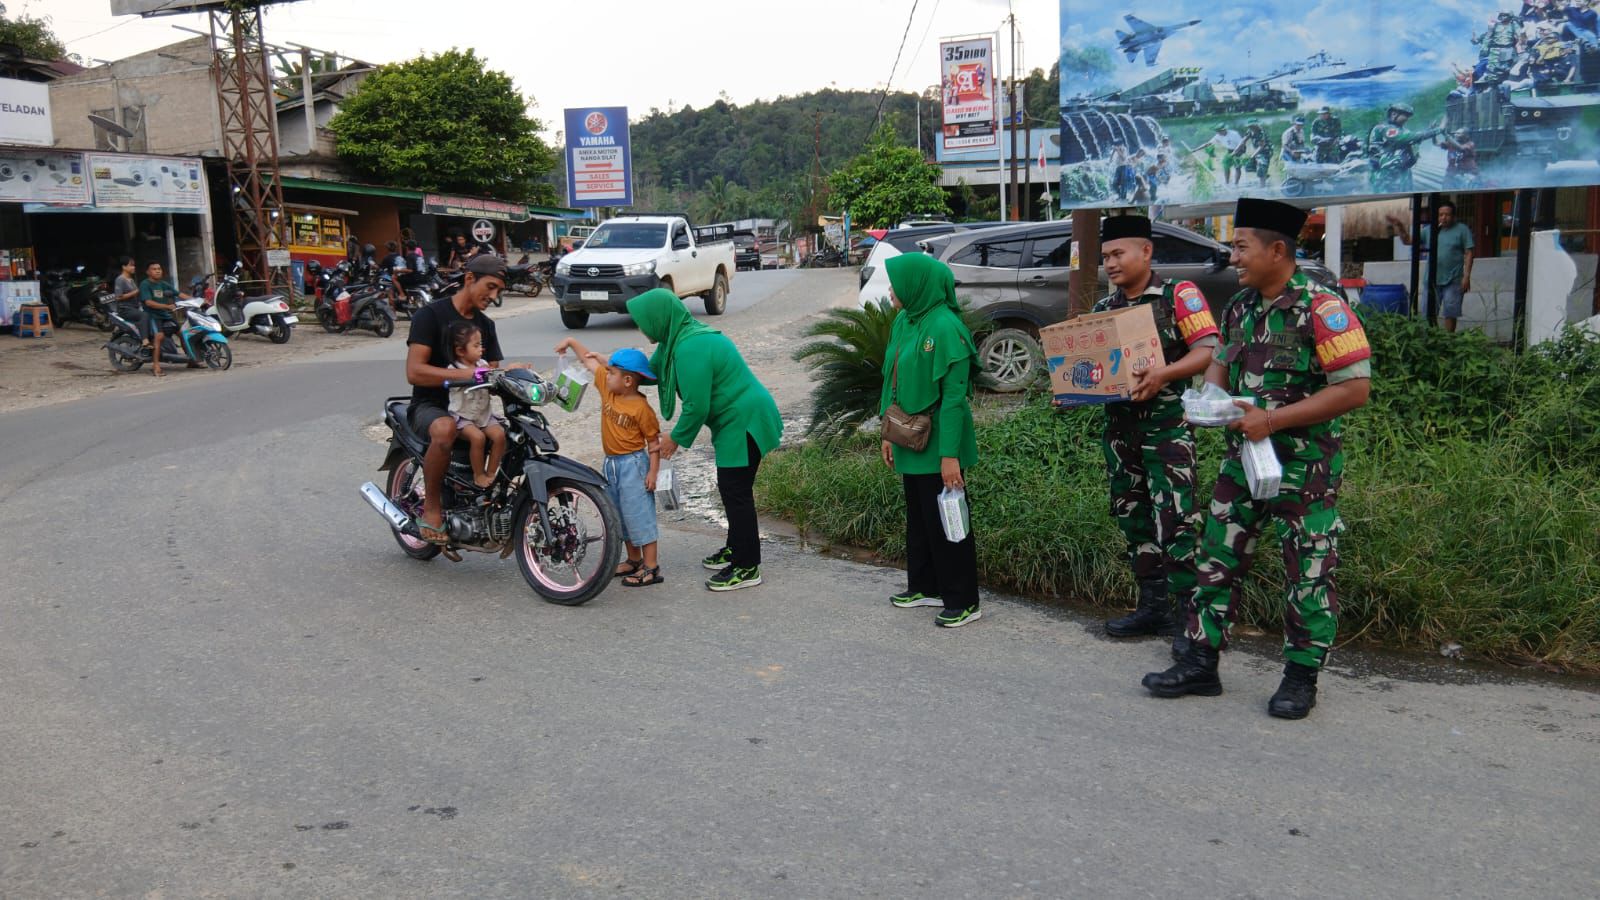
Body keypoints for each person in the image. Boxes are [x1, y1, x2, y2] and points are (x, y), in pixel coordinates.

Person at [1142, 198, 1372, 720]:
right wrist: (1208, 404)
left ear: (1277, 250)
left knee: (1308, 569)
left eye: (1241, 247)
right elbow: (1218, 370)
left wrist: (1271, 419)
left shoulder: (1323, 307)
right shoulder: (1241, 307)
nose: (1233, 256)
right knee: (1216, 554)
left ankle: (1300, 677)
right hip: (1242, 460)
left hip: (1304, 467)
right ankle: (1200, 660)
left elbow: (1355, 388)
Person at [1070, 215, 1220, 654]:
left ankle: (1188, 619)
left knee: (1176, 520)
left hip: (1167, 429)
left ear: (1146, 252)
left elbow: (1208, 350)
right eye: (1105, 257)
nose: (1110, 264)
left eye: (1118, 254)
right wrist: (1074, 392)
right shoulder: (1106, 309)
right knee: (1133, 517)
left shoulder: (1178, 295)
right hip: (1121, 432)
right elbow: (1093, 371)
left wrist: (1163, 375)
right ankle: (1153, 605)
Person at [625, 288, 782, 592]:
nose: (641, 328)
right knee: (732, 487)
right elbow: (650, 372)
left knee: (736, 491)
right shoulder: (674, 339)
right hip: (733, 421)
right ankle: (736, 547)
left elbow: (698, 405)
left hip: (744, 419)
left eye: (643, 321)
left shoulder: (690, 346)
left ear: (659, 318)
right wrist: (612, 367)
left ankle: (747, 566)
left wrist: (676, 439)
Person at [877, 253, 982, 628]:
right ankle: (924, 585)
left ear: (918, 285)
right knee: (919, 518)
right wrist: (888, 432)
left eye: (897, 283)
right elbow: (891, 377)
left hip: (939, 438)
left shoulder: (946, 327)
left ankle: (964, 599)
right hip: (908, 434)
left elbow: (954, 400)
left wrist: (949, 456)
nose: (891, 290)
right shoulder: (905, 320)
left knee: (948, 521)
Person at [403, 254, 518, 544]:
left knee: (514, 432)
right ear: (469, 279)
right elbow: (414, 372)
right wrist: (466, 376)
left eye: (499, 291)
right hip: (432, 405)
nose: (493, 296)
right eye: (490, 287)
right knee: (444, 429)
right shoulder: (429, 316)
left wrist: (513, 374)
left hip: (474, 408)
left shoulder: (486, 326)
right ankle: (431, 508)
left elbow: (491, 372)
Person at [553, 337, 665, 587]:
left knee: (639, 514)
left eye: (612, 372)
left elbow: (654, 443)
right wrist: (571, 342)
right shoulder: (609, 389)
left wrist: (653, 473)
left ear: (627, 380)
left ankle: (651, 566)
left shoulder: (641, 409)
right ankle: (633, 560)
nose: (606, 375)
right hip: (611, 464)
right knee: (619, 513)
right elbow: (589, 361)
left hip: (634, 465)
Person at [1388, 200, 1475, 332]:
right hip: (1431, 279)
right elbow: (1408, 241)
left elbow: (1469, 252)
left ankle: (1448, 342)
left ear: (1453, 216)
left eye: (1447, 215)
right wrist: (1399, 226)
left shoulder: (1462, 230)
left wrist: (1467, 276)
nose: (1443, 218)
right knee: (1428, 313)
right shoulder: (1430, 230)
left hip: (1454, 279)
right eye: (1440, 215)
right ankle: (1431, 341)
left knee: (1450, 313)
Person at [443, 320, 507, 489]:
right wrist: (484, 374)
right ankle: (478, 474)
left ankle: (491, 473)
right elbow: (473, 376)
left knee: (500, 435)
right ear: (460, 351)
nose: (481, 348)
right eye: (476, 345)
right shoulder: (454, 369)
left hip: (484, 416)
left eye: (481, 344)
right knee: (477, 438)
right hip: (463, 417)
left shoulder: (483, 364)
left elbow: (492, 379)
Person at [1367, 103, 1442, 194]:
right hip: (1385, 175)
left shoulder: (1403, 130)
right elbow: (1407, 137)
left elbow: (1415, 140)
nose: (1407, 119)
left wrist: (1429, 130)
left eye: (1408, 116)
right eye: (1405, 115)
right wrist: (1437, 130)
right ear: (1394, 114)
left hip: (1402, 172)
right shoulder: (1383, 128)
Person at [140, 261, 195, 377]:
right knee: (159, 337)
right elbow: (148, 302)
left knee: (182, 333)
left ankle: (191, 361)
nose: (157, 271)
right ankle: (156, 366)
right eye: (154, 269)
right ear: (148, 272)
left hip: (165, 315)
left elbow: (179, 294)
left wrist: (196, 301)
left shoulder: (163, 284)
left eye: (159, 268)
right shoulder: (145, 284)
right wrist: (166, 306)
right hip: (153, 316)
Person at [111, 256, 147, 349]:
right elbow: (118, 297)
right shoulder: (120, 279)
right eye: (131, 265)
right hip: (125, 309)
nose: (133, 267)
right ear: (124, 267)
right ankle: (145, 340)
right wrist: (135, 292)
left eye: (134, 265)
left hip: (134, 307)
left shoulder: (131, 280)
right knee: (144, 316)